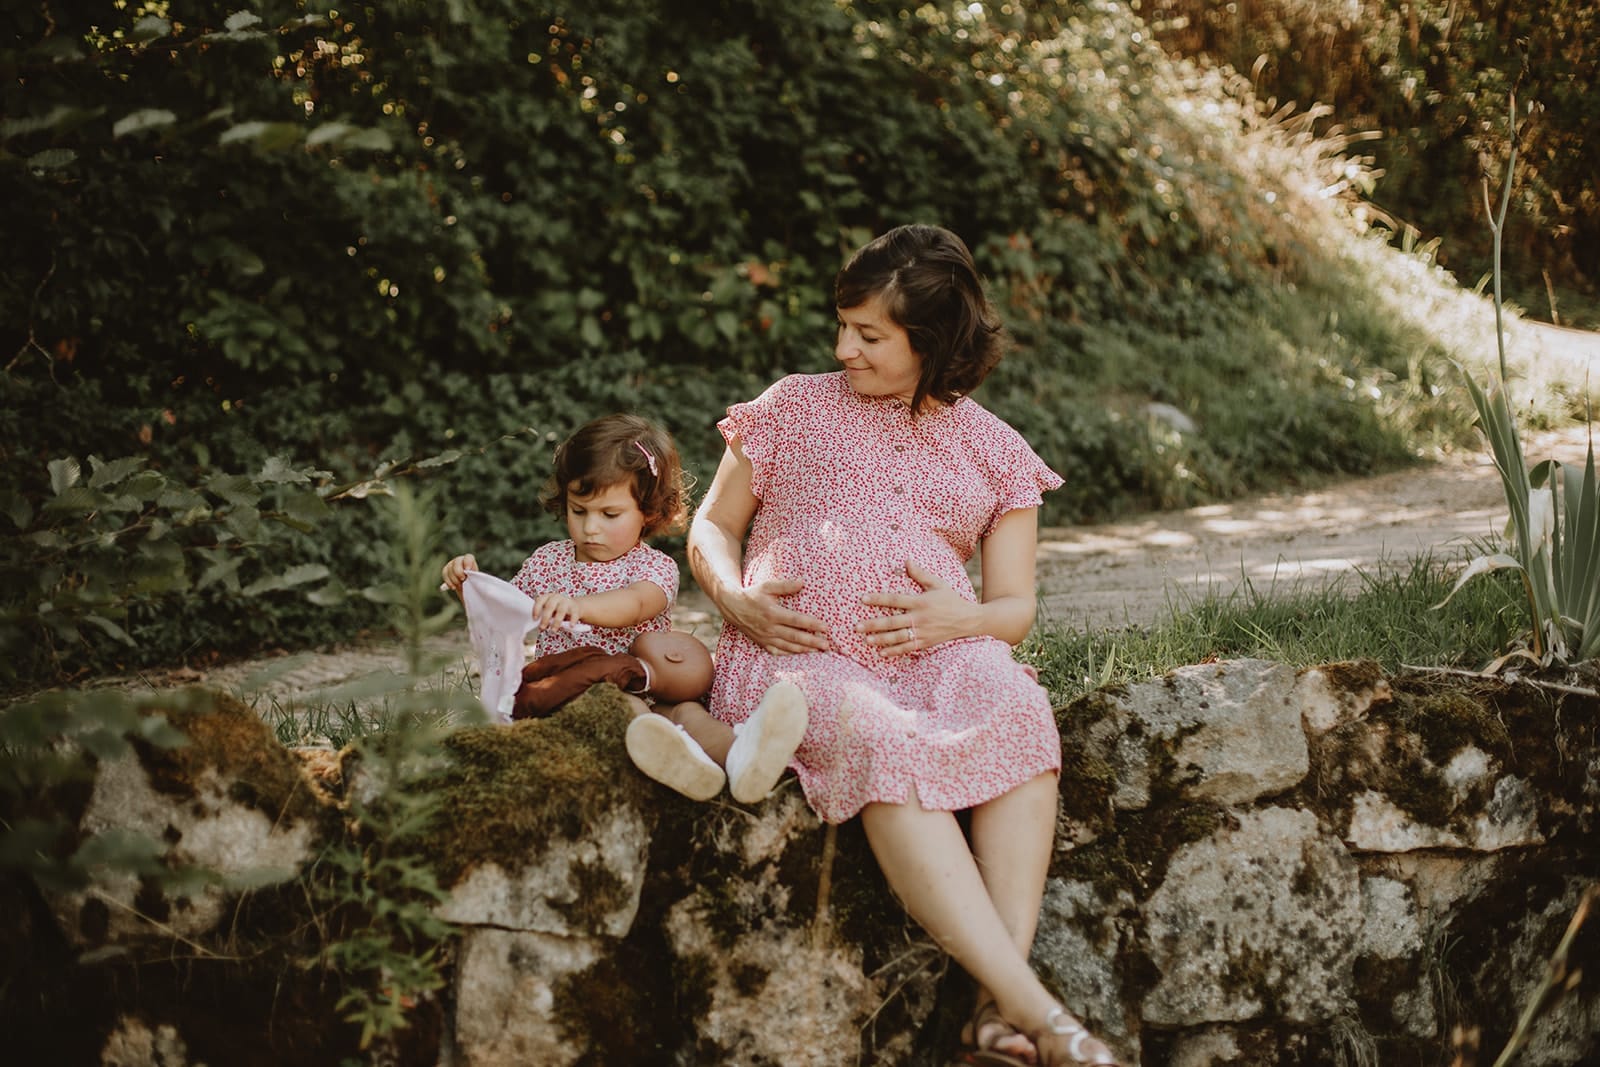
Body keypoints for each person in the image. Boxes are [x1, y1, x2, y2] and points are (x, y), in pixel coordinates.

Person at [687, 226, 1119, 1066]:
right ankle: (1039, 1013)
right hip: (798, 658)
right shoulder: (791, 408)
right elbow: (712, 524)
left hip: (938, 654)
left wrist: (963, 620)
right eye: (842, 326)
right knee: (877, 735)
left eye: (869, 335)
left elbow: (1014, 608)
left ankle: (996, 1010)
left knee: (1017, 706)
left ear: (932, 341)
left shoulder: (996, 450)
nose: (842, 348)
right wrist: (735, 598)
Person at [443, 413, 807, 804]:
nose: (590, 528)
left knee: (688, 713)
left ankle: (741, 754)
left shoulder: (652, 567)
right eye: (579, 510)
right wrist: (470, 588)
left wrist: (577, 606)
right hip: (579, 694)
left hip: (652, 687)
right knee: (626, 709)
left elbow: (635, 604)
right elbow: (507, 611)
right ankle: (682, 764)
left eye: (609, 514)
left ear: (648, 511)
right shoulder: (548, 562)